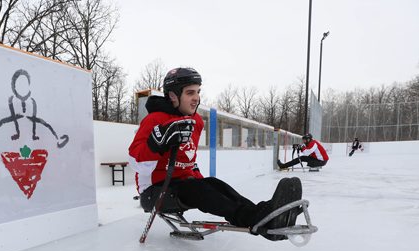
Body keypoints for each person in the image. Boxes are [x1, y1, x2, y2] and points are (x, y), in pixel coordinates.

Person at [128, 67, 302, 241]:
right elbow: (136, 163)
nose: (196, 97)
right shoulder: (154, 120)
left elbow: (188, 160)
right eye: (190, 92)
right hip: (155, 191)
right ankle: (256, 219)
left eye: (198, 91)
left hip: (182, 185)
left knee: (213, 183)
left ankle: (264, 214)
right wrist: (156, 143)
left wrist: (204, 184)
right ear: (173, 95)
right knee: (198, 189)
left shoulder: (195, 121)